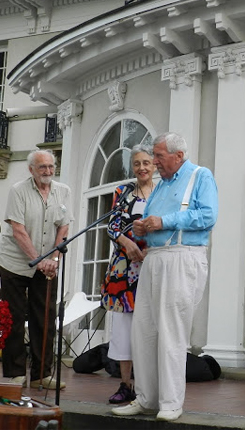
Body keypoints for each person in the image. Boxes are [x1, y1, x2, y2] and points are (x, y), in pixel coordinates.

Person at [112, 132, 218, 422]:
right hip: (154, 258)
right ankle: (146, 398)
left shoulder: (200, 176)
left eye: (158, 156)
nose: (154, 161)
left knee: (171, 331)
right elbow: (151, 220)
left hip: (183, 255)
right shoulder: (160, 186)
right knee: (143, 330)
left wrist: (164, 221)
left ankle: (171, 402)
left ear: (178, 156)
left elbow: (208, 216)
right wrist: (140, 228)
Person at [0, 149, 73, 389]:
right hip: (15, 263)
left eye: (51, 167)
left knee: (46, 318)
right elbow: (18, 230)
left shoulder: (64, 191)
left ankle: (42, 374)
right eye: (42, 167)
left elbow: (63, 228)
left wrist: (53, 259)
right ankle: (15, 372)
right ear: (31, 169)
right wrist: (40, 260)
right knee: (15, 317)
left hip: (47, 264)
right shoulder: (17, 191)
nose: (48, 172)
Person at [101, 144, 155, 404]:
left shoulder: (164, 191)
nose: (142, 168)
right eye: (137, 163)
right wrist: (127, 243)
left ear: (154, 164)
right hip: (125, 269)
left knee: (151, 325)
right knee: (124, 328)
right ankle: (125, 385)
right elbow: (111, 226)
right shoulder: (123, 192)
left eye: (146, 162)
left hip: (153, 265)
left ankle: (149, 385)